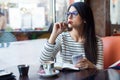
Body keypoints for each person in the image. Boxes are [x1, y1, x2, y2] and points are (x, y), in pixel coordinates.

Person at [40, 2, 103, 70]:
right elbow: (43, 62)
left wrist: (91, 65)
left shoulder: (97, 41)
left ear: (85, 19)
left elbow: (101, 70)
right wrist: (53, 35)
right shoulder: (62, 38)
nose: (69, 17)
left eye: (74, 14)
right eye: (68, 14)